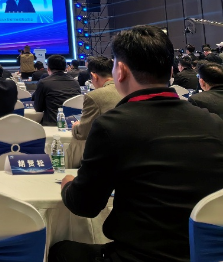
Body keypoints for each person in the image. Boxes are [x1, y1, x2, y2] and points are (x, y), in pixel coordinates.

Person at [50, 25, 223, 262]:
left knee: (60, 251)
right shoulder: (213, 122)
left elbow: (84, 206)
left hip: (138, 256)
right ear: (171, 70)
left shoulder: (113, 126)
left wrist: (67, 185)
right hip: (206, 255)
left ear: (120, 71)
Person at [71, 56, 121, 141]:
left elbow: (82, 133)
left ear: (94, 76)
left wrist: (75, 127)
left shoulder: (94, 96)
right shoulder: (127, 90)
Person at [32, 55, 81, 126]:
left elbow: (38, 108)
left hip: (52, 124)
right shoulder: (75, 83)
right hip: (73, 124)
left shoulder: (43, 83)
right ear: (65, 67)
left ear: (48, 68)